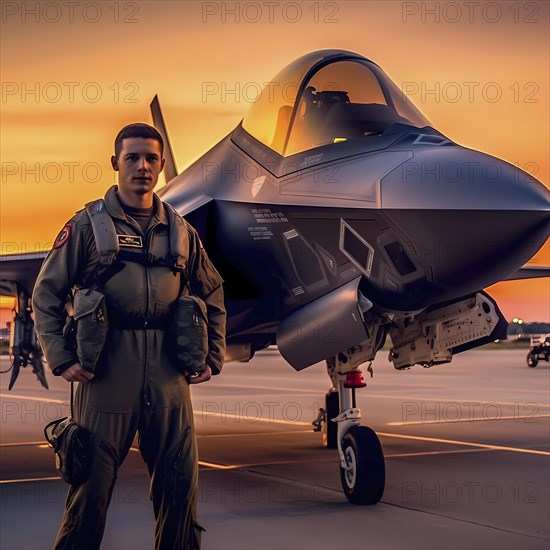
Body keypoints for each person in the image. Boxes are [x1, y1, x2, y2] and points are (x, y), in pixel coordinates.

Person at [32, 123, 226, 549]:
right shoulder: (85, 226)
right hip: (105, 370)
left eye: (151, 158)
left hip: (168, 374)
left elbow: (211, 289)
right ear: (115, 163)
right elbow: (45, 294)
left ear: (160, 165)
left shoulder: (181, 231)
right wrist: (62, 359)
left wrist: (213, 354)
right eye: (133, 157)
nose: (142, 166)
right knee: (90, 489)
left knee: (179, 490)